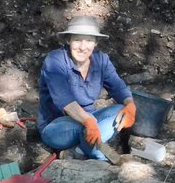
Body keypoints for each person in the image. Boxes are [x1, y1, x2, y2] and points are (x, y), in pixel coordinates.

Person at [38, 16, 136, 160]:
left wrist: (130, 106)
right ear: (68, 40)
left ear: (95, 43)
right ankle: (94, 151)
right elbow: (65, 102)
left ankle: (82, 150)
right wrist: (88, 122)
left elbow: (118, 88)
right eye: (77, 40)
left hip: (91, 120)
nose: (83, 47)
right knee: (89, 135)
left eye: (89, 40)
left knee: (121, 110)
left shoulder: (101, 60)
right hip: (57, 126)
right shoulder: (55, 60)